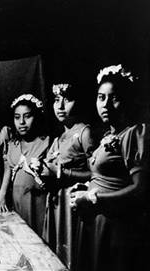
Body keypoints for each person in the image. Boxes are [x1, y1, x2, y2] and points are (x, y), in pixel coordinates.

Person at [70, 65, 149, 271]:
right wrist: (86, 186)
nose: (105, 105)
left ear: (127, 100)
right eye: (100, 97)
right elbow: (105, 175)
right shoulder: (108, 136)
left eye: (113, 98)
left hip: (115, 226)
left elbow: (141, 190)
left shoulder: (133, 134)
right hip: (97, 222)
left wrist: (93, 198)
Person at [38, 83, 95, 270]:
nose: (60, 106)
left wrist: (63, 173)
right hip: (56, 200)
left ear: (78, 101)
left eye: (67, 100)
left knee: (71, 250)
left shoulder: (84, 132)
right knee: (55, 249)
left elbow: (95, 174)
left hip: (72, 201)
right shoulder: (59, 137)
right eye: (56, 100)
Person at [0, 94, 50, 236]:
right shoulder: (13, 144)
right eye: (17, 117)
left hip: (37, 202)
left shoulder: (46, 142)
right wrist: (1, 196)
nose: (22, 122)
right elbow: (8, 170)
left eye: (27, 116)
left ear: (36, 117)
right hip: (17, 202)